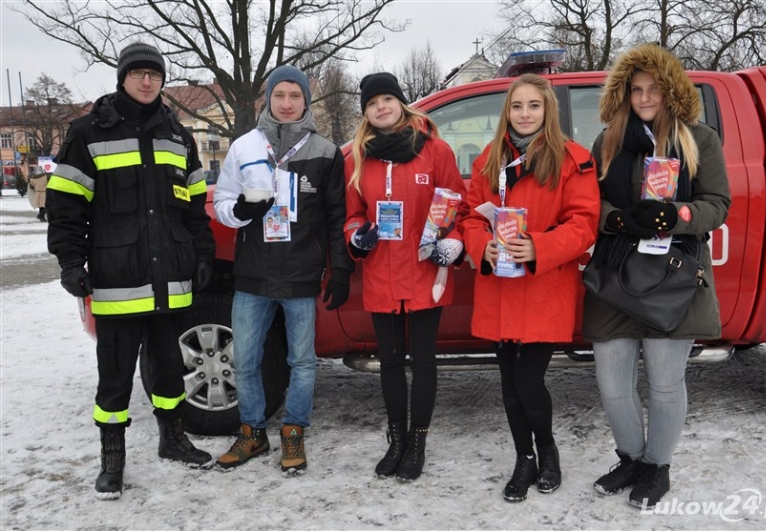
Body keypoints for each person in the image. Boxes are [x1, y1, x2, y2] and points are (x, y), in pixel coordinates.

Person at [46, 42, 216, 500]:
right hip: (117, 281)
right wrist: (70, 262)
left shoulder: (179, 137)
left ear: (162, 80)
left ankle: (173, 438)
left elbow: (195, 208)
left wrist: (202, 257)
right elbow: (65, 207)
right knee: (116, 376)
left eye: (154, 74)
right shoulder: (86, 133)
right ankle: (113, 459)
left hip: (171, 281)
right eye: (138, 73)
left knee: (169, 371)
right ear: (122, 77)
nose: (147, 81)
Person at [583, 44, 731, 508]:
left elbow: (717, 204)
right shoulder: (606, 140)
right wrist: (620, 220)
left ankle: (656, 466)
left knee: (666, 383)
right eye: (636, 89)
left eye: (654, 89)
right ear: (624, 94)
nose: (645, 97)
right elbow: (590, 203)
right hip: (616, 274)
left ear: (670, 91)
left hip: (675, 274)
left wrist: (675, 214)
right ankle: (630, 457)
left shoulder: (698, 138)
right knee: (612, 383)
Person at [463, 74, 600, 502]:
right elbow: (470, 216)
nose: (525, 114)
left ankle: (548, 451)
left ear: (548, 111)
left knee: (528, 380)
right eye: (518, 106)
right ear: (508, 111)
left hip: (544, 288)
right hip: (500, 289)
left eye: (534, 106)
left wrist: (537, 246)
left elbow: (583, 224)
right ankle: (524, 459)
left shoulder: (573, 159)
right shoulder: (489, 158)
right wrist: (480, 245)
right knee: (508, 384)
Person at [213, 65, 352, 475]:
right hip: (253, 275)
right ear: (267, 100)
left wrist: (339, 271)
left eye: (295, 95)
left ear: (306, 101)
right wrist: (239, 211)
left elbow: (335, 218)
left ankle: (293, 431)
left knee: (302, 362)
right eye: (279, 95)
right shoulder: (243, 146)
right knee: (246, 361)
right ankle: (252, 433)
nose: (287, 103)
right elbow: (222, 202)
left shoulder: (326, 152)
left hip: (301, 276)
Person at [344, 72, 468, 482]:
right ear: (365, 112)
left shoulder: (435, 151)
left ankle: (418, 441)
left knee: (425, 361)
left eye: (387, 99)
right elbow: (352, 214)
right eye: (372, 102)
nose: (381, 107)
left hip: (424, 273)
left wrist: (454, 242)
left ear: (401, 103)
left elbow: (456, 208)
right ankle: (396, 438)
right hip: (381, 274)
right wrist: (356, 237)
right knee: (391, 362)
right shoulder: (359, 158)